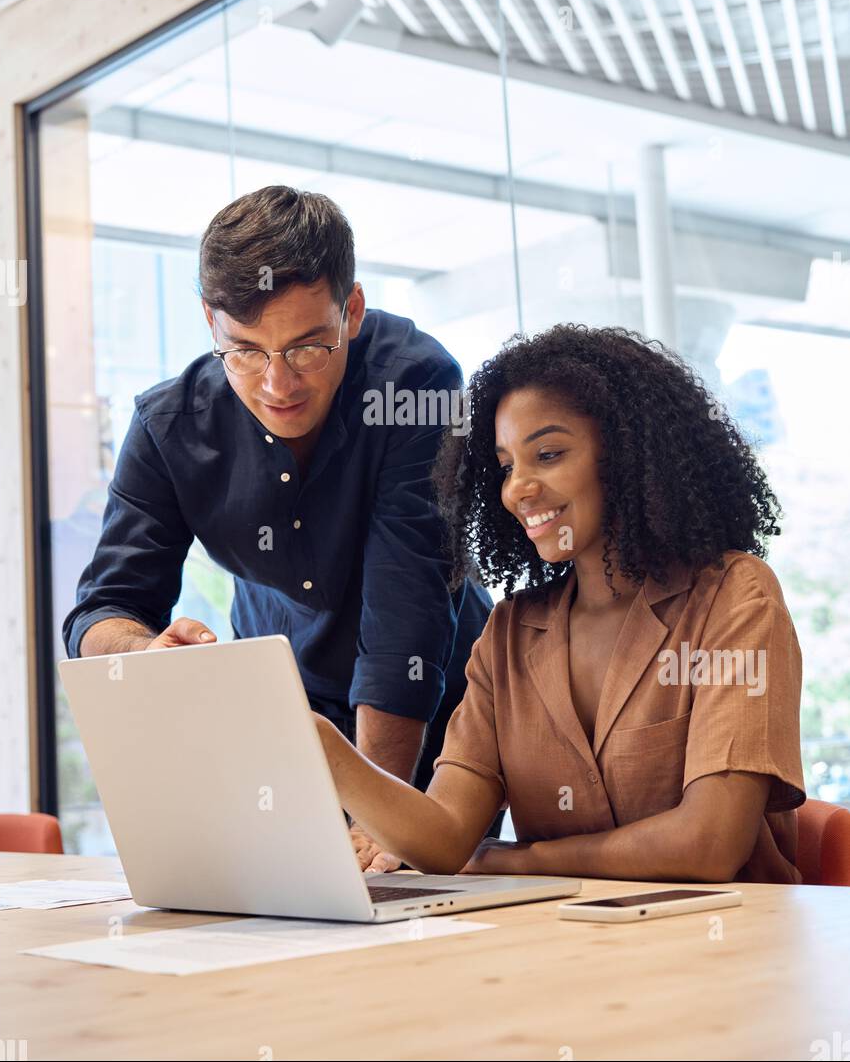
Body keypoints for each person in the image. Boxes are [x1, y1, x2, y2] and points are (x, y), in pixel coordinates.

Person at [64, 185, 495, 872]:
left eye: (307, 348)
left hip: (440, 712)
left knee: (439, 920)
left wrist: (377, 814)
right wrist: (146, 655)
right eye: (244, 352)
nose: (276, 384)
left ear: (350, 310)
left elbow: (405, 611)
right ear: (210, 322)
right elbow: (101, 611)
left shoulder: (414, 382)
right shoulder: (168, 428)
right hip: (292, 719)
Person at [313, 323, 806, 883]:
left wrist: (520, 860)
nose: (516, 488)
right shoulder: (510, 633)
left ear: (626, 454)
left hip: (730, 948)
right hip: (568, 949)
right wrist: (329, 750)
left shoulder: (733, 597)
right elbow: (447, 836)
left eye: (547, 454)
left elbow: (709, 844)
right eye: (505, 466)